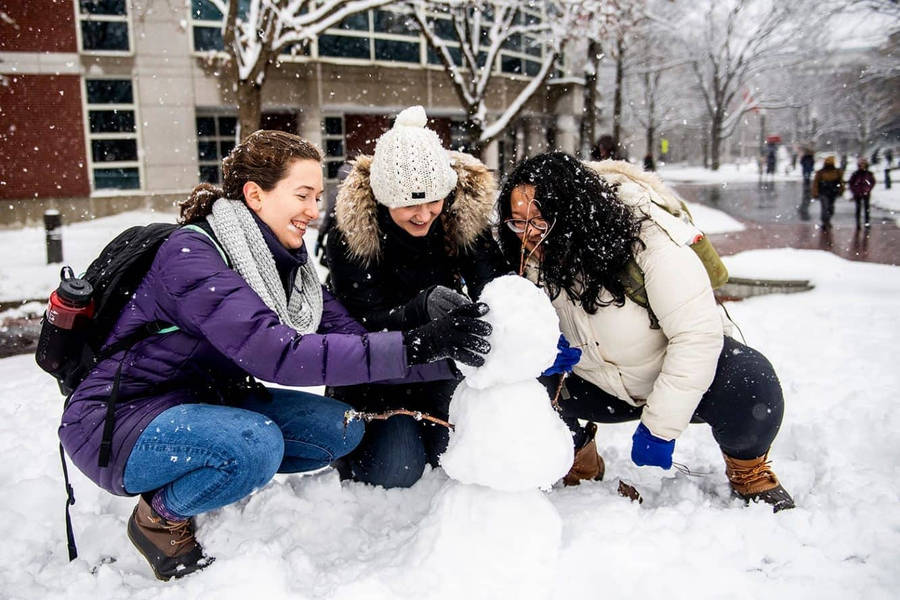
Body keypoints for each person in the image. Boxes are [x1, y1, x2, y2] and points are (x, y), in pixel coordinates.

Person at [58, 130, 492, 580]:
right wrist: (417, 344)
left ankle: (220, 460)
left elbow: (350, 334)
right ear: (255, 195)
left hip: (203, 401)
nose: (314, 211)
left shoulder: (285, 266)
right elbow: (279, 355)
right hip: (119, 420)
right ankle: (159, 516)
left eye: (318, 196)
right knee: (255, 446)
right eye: (302, 195)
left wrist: (449, 348)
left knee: (337, 429)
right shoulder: (191, 256)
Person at [496, 152, 795, 512]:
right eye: (518, 222)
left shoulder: (648, 241)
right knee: (518, 377)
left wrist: (660, 427)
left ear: (573, 213)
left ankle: (748, 469)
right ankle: (577, 456)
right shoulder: (525, 260)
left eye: (541, 221)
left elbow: (696, 337)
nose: (529, 234)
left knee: (751, 384)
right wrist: (539, 347)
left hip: (676, 378)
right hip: (597, 386)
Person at [325, 106, 510, 488]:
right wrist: (420, 307)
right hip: (375, 377)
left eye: (432, 201)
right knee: (398, 469)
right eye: (409, 203)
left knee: (458, 453)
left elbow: (495, 287)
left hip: (441, 370)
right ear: (383, 197)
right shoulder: (353, 235)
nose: (424, 215)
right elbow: (359, 324)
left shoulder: (460, 220)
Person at [811, 156, 845, 229]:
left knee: (830, 208)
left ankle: (827, 220)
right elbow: (815, 183)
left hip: (833, 193)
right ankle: (825, 222)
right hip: (823, 192)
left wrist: (841, 190)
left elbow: (841, 182)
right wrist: (815, 192)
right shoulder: (820, 172)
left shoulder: (837, 172)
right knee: (825, 207)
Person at [848, 158, 876, 229]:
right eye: (861, 164)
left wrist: (868, 188)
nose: (862, 166)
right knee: (858, 208)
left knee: (867, 208)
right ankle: (858, 223)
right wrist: (854, 190)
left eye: (863, 164)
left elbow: (872, 182)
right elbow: (851, 183)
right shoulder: (855, 174)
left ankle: (867, 222)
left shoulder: (869, 173)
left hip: (866, 193)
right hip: (857, 193)